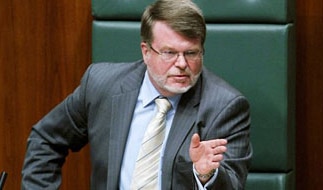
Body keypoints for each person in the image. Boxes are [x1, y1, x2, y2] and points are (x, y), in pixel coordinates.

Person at [21, 0, 252, 189]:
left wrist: (206, 176)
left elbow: (232, 184)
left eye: (191, 53)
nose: (182, 64)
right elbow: (46, 139)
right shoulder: (102, 85)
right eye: (169, 53)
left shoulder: (224, 107)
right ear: (146, 52)